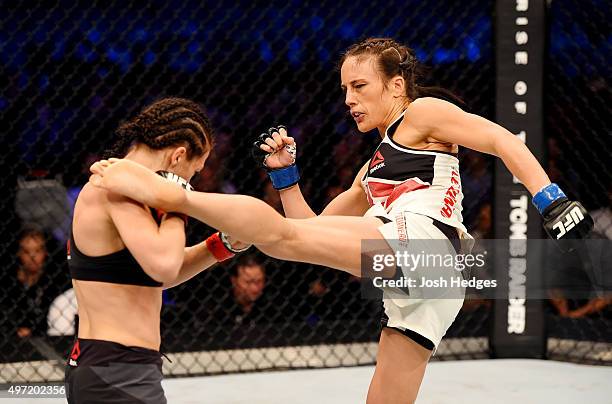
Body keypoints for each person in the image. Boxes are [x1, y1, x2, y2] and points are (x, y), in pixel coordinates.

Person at [89, 39, 593, 404]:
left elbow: (505, 140)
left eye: (360, 85)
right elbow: (310, 227)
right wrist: (286, 177)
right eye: (344, 88)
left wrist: (551, 200)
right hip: (432, 280)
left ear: (396, 85)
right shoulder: (372, 167)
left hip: (427, 247)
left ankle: (173, 192)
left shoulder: (423, 112)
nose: (349, 98)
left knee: (282, 240)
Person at [65, 97, 248, 404]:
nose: (194, 180)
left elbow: (156, 275)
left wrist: (221, 246)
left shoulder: (129, 190)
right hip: (117, 372)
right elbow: (163, 264)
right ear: (178, 157)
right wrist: (176, 199)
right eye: (195, 171)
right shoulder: (116, 188)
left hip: (114, 369)